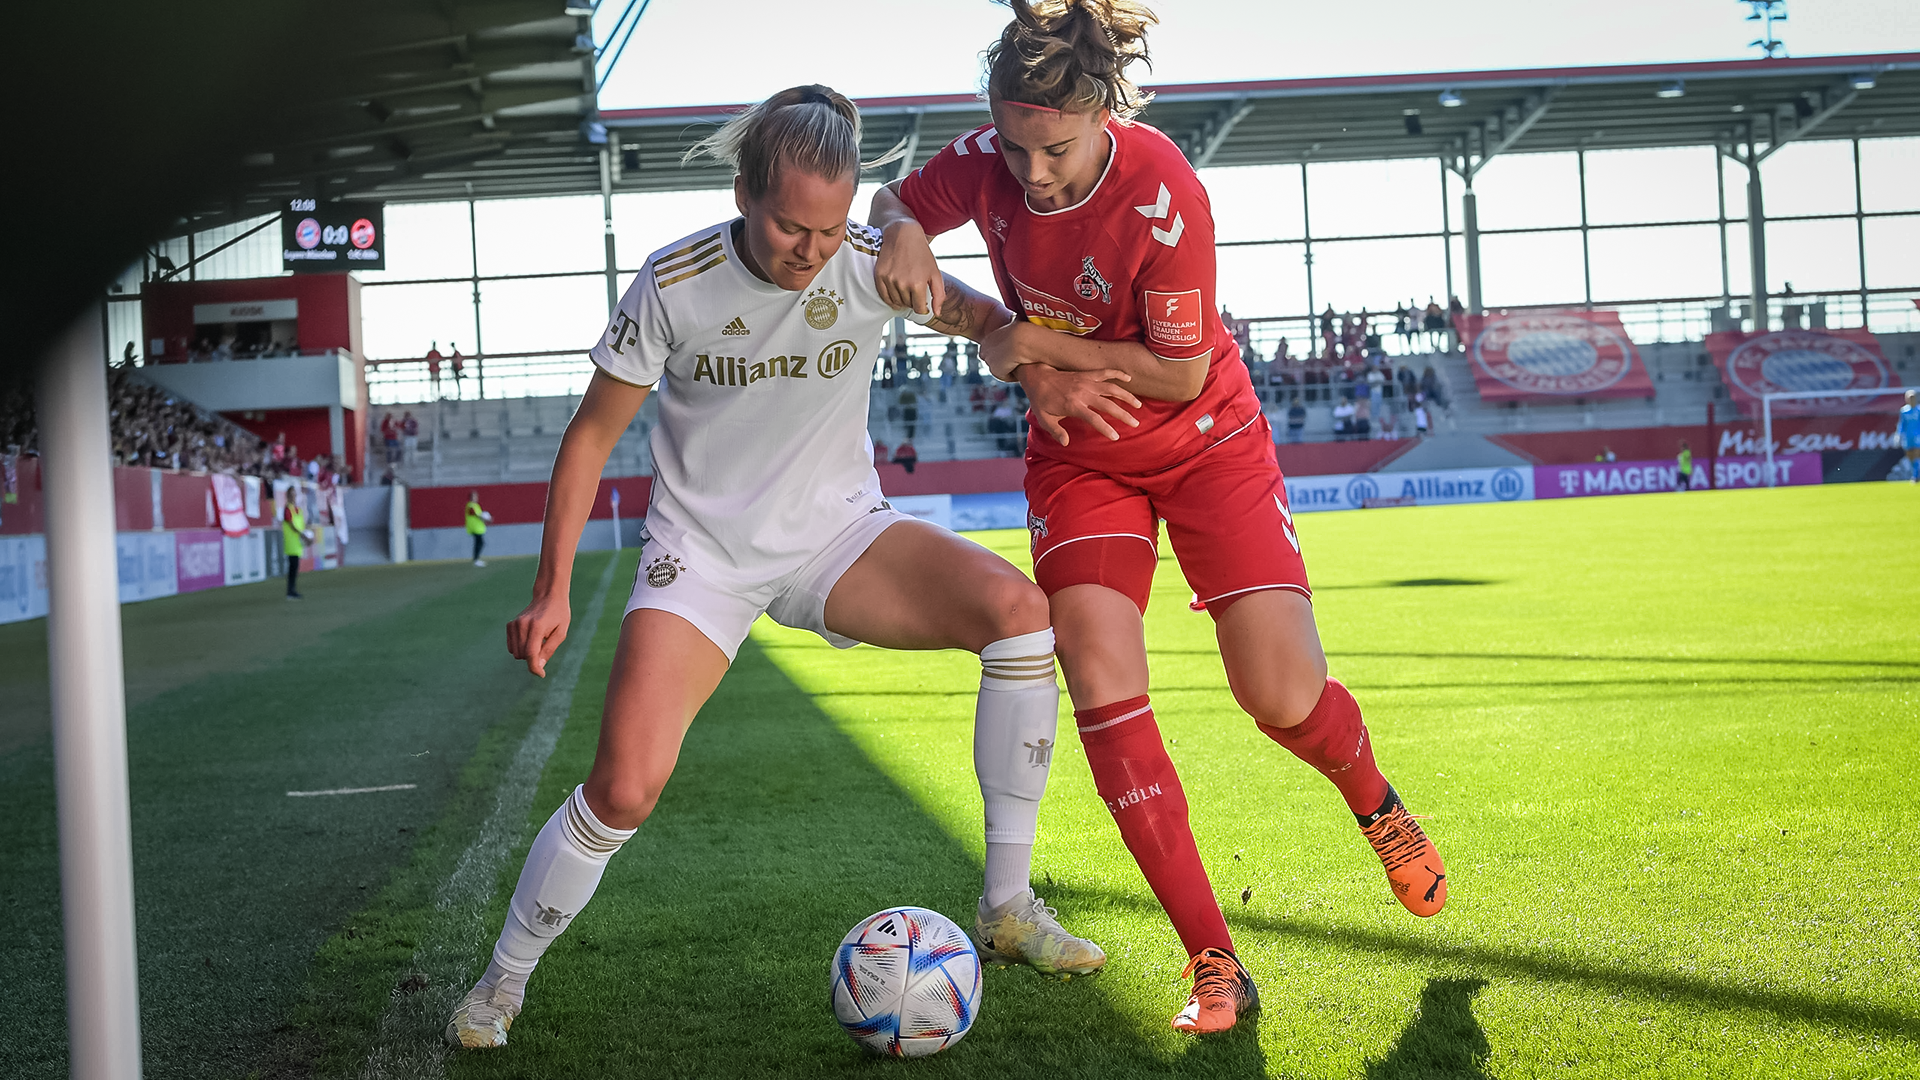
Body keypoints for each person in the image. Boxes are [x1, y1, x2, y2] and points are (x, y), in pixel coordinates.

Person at [447, 84, 1107, 1052]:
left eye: (833, 227)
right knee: (623, 788)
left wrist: (1038, 362)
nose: (813, 250)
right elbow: (589, 439)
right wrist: (551, 588)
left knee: (1017, 610)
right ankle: (498, 988)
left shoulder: (870, 262)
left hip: (838, 536)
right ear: (748, 195)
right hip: (701, 558)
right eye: (792, 227)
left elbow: (983, 324)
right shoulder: (675, 284)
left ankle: (1006, 906)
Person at [870, 0, 1447, 1035]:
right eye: (1012, 147)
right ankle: (1213, 958)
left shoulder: (1163, 191)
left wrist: (1029, 343)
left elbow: (1179, 370)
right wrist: (912, 233)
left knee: (1277, 693)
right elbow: (894, 200)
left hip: (1206, 440)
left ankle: (1378, 804)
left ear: (1099, 112)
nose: (1030, 173)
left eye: (1051, 149)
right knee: (1096, 675)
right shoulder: (990, 159)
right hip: (1082, 461)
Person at [281, 487, 313, 599]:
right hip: (291, 542)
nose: (293, 496)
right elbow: (292, 525)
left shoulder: (297, 509)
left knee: (295, 568)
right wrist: (304, 536)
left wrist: (305, 535)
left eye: (294, 494)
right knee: (292, 567)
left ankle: (292, 590)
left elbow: (300, 525)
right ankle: (290, 591)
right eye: (291, 494)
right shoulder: (287, 509)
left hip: (297, 543)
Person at [464, 490, 492, 565]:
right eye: (474, 496)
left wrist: (486, 519)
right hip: (474, 527)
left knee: (479, 543)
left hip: (479, 528)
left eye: (476, 496)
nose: (475, 498)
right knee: (479, 543)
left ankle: (476, 559)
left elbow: (480, 515)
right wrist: (486, 518)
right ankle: (476, 559)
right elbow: (474, 513)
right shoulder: (470, 505)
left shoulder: (477, 505)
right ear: (470, 498)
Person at [1900, 389, 1920, 483]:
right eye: (1909, 398)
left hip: (1917, 436)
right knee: (1910, 456)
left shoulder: (1919, 410)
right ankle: (1914, 473)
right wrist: (1899, 435)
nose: (1911, 400)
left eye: (1913, 398)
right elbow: (1902, 424)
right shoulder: (1904, 411)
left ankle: (1915, 476)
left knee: (1917, 454)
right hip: (1908, 437)